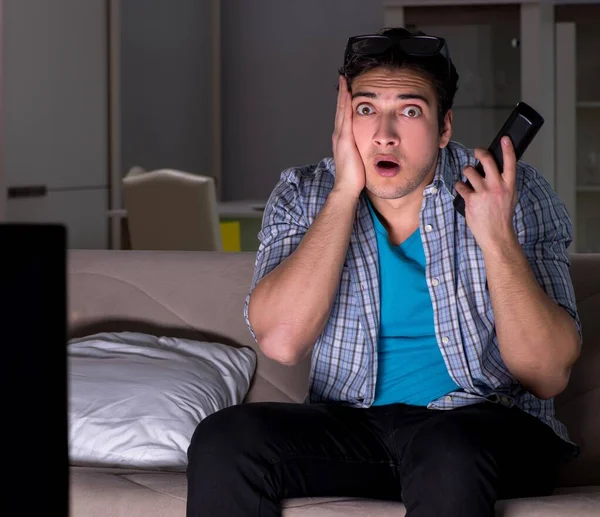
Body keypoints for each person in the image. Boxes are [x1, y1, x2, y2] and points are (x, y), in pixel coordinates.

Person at [186, 27, 582, 517]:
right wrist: (343, 193)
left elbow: (546, 374)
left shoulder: (513, 192)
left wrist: (495, 235)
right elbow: (282, 340)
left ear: (444, 127)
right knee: (225, 438)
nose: (384, 134)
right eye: (366, 109)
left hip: (483, 426)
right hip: (354, 425)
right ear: (343, 120)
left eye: (410, 111)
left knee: (447, 447)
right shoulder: (304, 194)